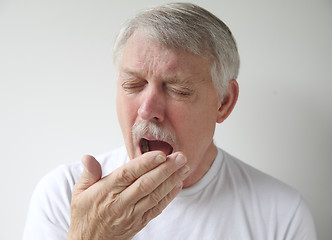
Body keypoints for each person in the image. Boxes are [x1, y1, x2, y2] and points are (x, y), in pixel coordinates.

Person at [23, 3, 317, 240]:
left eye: (178, 89)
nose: (148, 109)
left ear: (224, 102)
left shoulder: (282, 214)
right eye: (133, 84)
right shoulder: (64, 194)